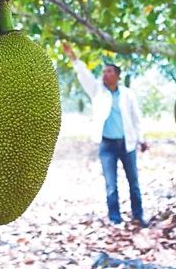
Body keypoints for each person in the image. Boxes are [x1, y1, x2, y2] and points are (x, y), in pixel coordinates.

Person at [62, 42, 149, 227]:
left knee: (133, 183)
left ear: (117, 76)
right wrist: (74, 58)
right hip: (107, 145)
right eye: (104, 71)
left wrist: (142, 139)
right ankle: (115, 218)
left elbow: (136, 119)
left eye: (109, 71)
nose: (105, 74)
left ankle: (138, 216)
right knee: (111, 185)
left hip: (127, 144)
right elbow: (85, 77)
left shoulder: (127, 95)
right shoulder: (97, 92)